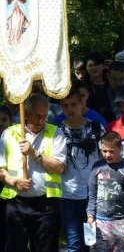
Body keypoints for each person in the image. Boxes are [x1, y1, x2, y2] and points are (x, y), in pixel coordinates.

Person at [0, 93, 66, 252]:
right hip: (17, 204)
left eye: (44, 116)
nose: (41, 120)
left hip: (46, 205)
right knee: (15, 248)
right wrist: (15, 182)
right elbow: (1, 170)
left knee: (45, 248)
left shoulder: (56, 133)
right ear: (26, 114)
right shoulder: (9, 134)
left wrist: (34, 153)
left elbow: (60, 168)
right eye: (37, 116)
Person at [59, 85, 105, 252]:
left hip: (92, 195)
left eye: (73, 104)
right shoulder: (58, 132)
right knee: (74, 244)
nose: (69, 109)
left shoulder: (95, 128)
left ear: (81, 103)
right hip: (68, 194)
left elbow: (104, 158)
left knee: (91, 242)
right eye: (65, 105)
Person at [87, 131, 124, 252]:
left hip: (122, 223)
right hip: (100, 222)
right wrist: (90, 215)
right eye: (104, 151)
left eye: (112, 151)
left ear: (121, 148)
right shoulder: (97, 167)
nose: (107, 155)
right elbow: (92, 193)